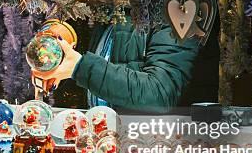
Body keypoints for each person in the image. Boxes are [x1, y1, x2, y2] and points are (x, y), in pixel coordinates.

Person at [32, 21, 199, 114]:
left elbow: (159, 94)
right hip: (98, 141)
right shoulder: (112, 10)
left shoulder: (174, 14)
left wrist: (79, 67)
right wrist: (51, 52)